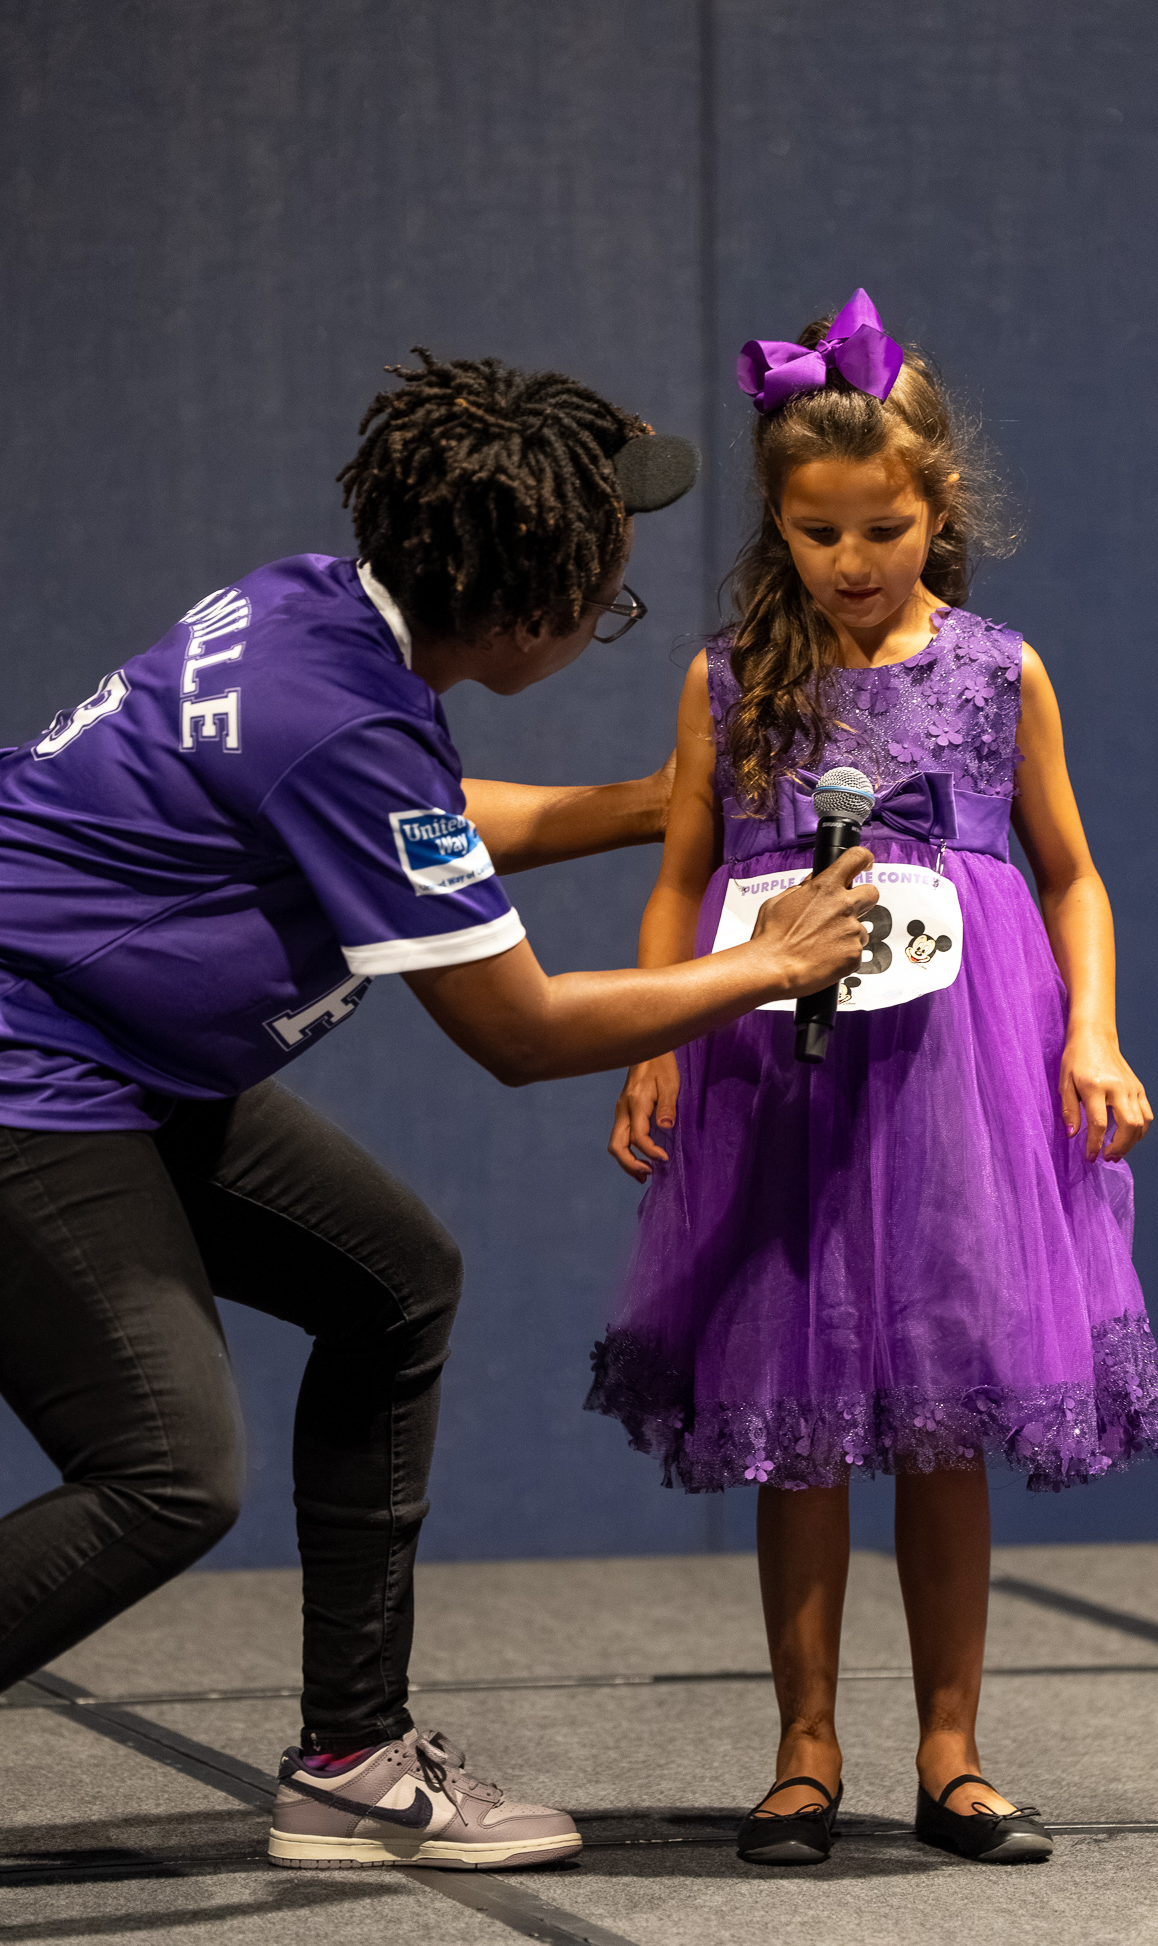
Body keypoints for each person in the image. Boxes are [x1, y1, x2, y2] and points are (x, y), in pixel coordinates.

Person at [0, 350, 878, 1872]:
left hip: (122, 1062)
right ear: (526, 613)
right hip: (34, 1074)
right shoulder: (345, 724)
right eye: (606, 597)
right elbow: (520, 1032)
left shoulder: (308, 613)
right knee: (167, 1474)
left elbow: (421, 824)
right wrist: (770, 964)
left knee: (390, 1280)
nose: (611, 614)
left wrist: (656, 805)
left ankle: (352, 1757)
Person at [587, 292, 1158, 1867]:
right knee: (790, 1405)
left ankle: (950, 1752)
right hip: (775, 1063)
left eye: (883, 529)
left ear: (939, 510)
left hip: (953, 1069)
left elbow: (1069, 875)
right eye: (817, 533)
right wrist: (654, 1042)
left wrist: (1091, 1030)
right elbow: (679, 877)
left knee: (938, 1411)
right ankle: (802, 1752)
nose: (851, 561)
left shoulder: (996, 671)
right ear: (776, 526)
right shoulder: (728, 679)